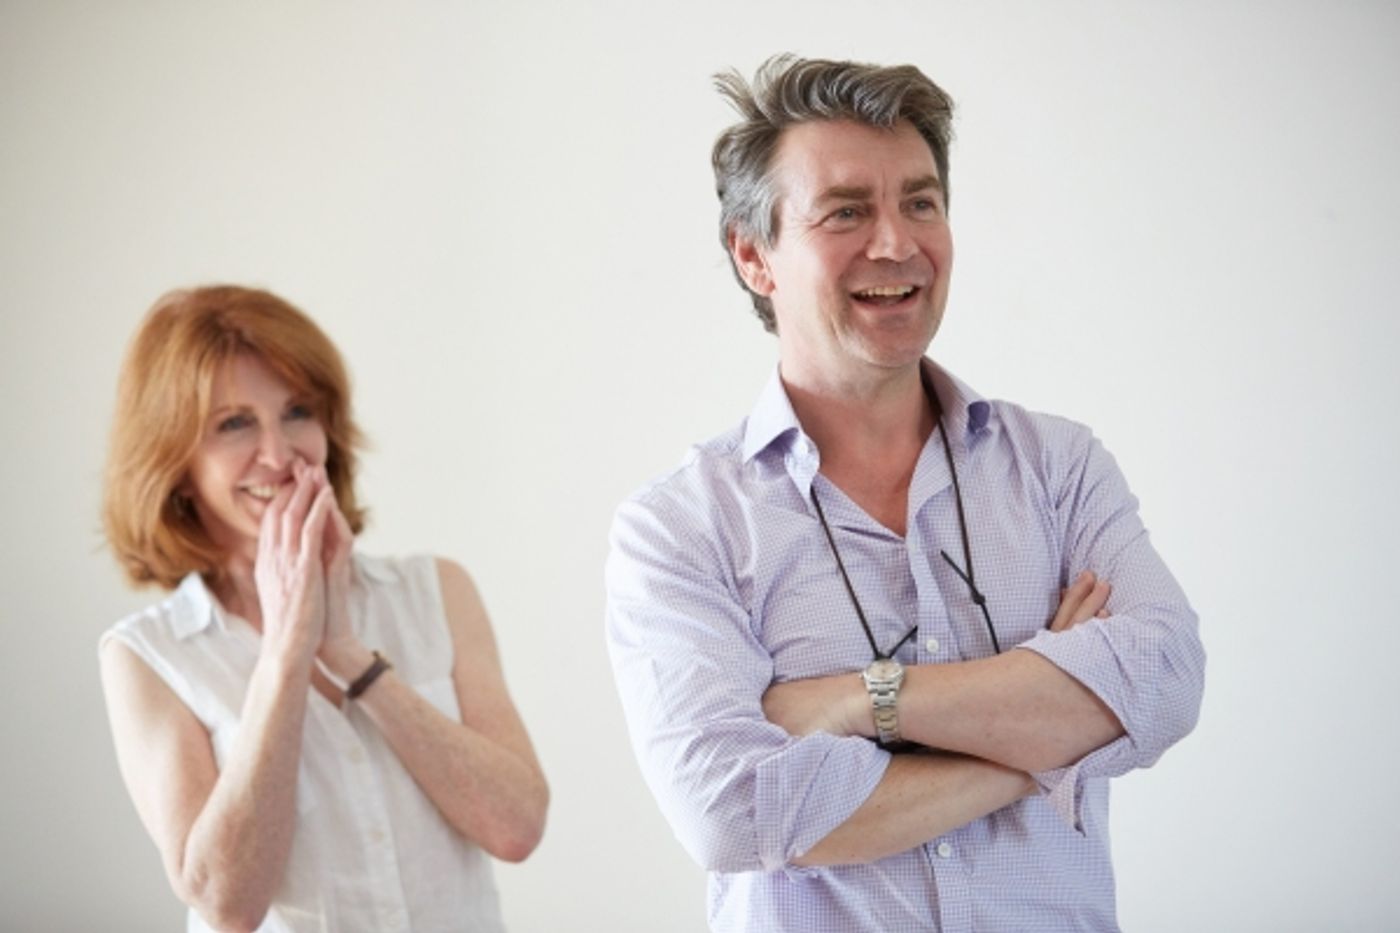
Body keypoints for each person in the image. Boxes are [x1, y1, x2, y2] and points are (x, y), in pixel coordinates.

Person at [605, 56, 1205, 932]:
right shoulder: (679, 529)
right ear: (753, 254)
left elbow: (1166, 680)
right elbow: (733, 811)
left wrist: (861, 698)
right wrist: (1043, 744)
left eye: (920, 202)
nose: (896, 242)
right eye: (846, 211)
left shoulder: (1059, 468)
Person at [99, 285, 548, 932]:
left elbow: (518, 827)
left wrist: (346, 653)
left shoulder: (436, 590)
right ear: (174, 462)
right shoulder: (148, 656)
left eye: (298, 412)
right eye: (234, 423)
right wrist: (287, 648)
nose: (280, 456)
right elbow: (227, 902)